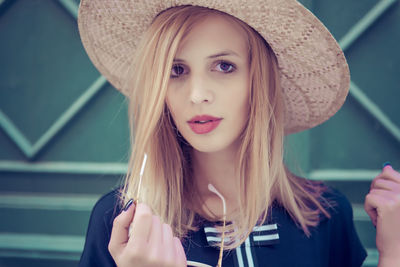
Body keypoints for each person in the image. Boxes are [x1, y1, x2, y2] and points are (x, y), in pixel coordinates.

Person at [77, 1, 400, 266]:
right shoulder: (121, 224)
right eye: (176, 71)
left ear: (260, 83)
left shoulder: (326, 214)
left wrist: (395, 254)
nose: (197, 94)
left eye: (224, 66)